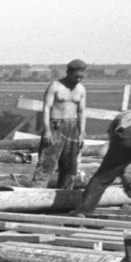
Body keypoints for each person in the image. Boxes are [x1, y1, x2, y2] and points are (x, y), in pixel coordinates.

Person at [32, 59, 88, 188]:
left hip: (73, 127)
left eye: (81, 77)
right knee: (47, 162)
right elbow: (46, 109)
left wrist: (81, 133)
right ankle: (36, 193)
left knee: (70, 165)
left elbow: (82, 112)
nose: (78, 79)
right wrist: (47, 130)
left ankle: (64, 196)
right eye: (76, 76)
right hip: (56, 125)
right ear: (68, 72)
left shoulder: (81, 89)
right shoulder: (55, 86)